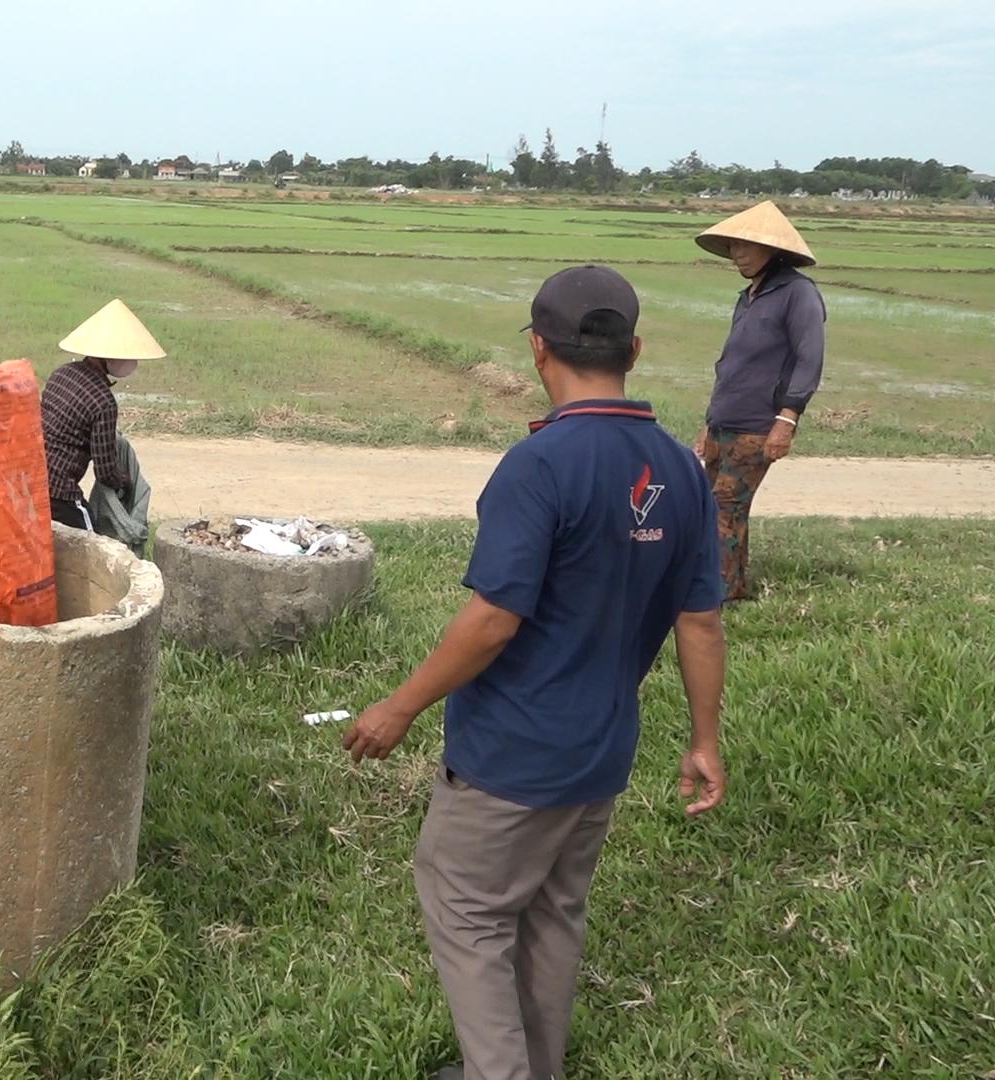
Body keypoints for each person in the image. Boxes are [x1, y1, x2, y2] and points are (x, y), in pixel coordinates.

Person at [342, 266, 728, 1080]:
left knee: (468, 909)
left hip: (513, 754)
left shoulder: (540, 465)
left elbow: (491, 620)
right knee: (554, 913)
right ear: (635, 348)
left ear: (539, 349)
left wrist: (399, 705)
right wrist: (703, 739)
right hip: (601, 753)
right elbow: (700, 617)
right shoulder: (683, 468)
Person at [693, 201, 826, 602]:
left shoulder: (798, 294)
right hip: (724, 421)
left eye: (748, 246)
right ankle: (731, 586)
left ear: (773, 249)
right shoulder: (748, 295)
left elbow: (809, 358)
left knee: (723, 508)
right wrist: (709, 420)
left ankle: (714, 595)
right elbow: (731, 363)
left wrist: (787, 420)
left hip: (757, 425)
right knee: (713, 507)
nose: (739, 254)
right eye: (733, 246)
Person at [41, 299, 164, 531]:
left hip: (30, 480)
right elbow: (105, 470)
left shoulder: (61, 374)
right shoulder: (103, 402)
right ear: (107, 357)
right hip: (59, 491)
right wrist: (125, 481)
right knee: (95, 546)